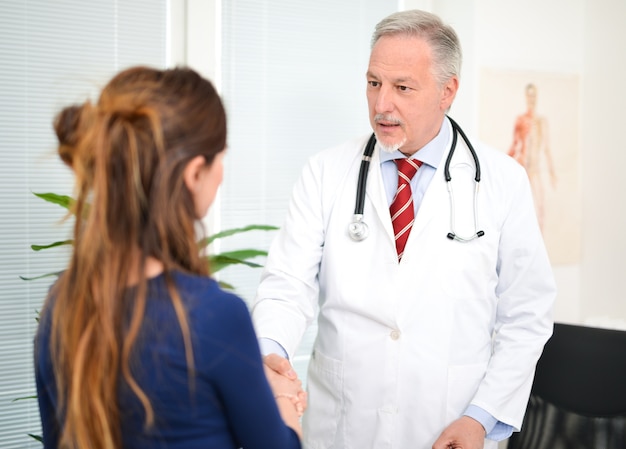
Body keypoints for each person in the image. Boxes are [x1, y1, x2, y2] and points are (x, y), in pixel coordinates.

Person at [252, 10, 556, 449]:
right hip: (342, 427)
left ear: (446, 91)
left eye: (402, 88)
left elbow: (526, 315)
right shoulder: (325, 172)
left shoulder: (503, 180)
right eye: (374, 83)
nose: (381, 105)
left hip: (452, 428)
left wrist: (481, 418)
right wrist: (271, 352)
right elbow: (286, 286)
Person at [34, 66, 305, 449]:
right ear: (195, 173)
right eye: (219, 159)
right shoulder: (213, 316)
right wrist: (279, 396)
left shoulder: (61, 304)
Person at [508, 83, 557, 231]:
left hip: (535, 171)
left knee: (540, 209)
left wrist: (552, 172)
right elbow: (514, 145)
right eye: (529, 95)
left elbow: (546, 148)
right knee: (520, 212)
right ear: (525, 97)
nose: (532, 98)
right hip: (523, 170)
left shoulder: (542, 122)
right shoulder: (520, 120)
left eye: (534, 95)